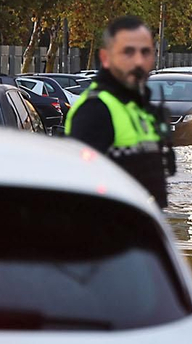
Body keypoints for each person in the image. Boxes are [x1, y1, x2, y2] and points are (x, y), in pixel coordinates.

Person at [65, 15, 173, 208]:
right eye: (128, 53)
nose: (138, 62)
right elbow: (78, 196)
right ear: (106, 58)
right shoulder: (95, 110)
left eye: (145, 52)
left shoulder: (138, 109)